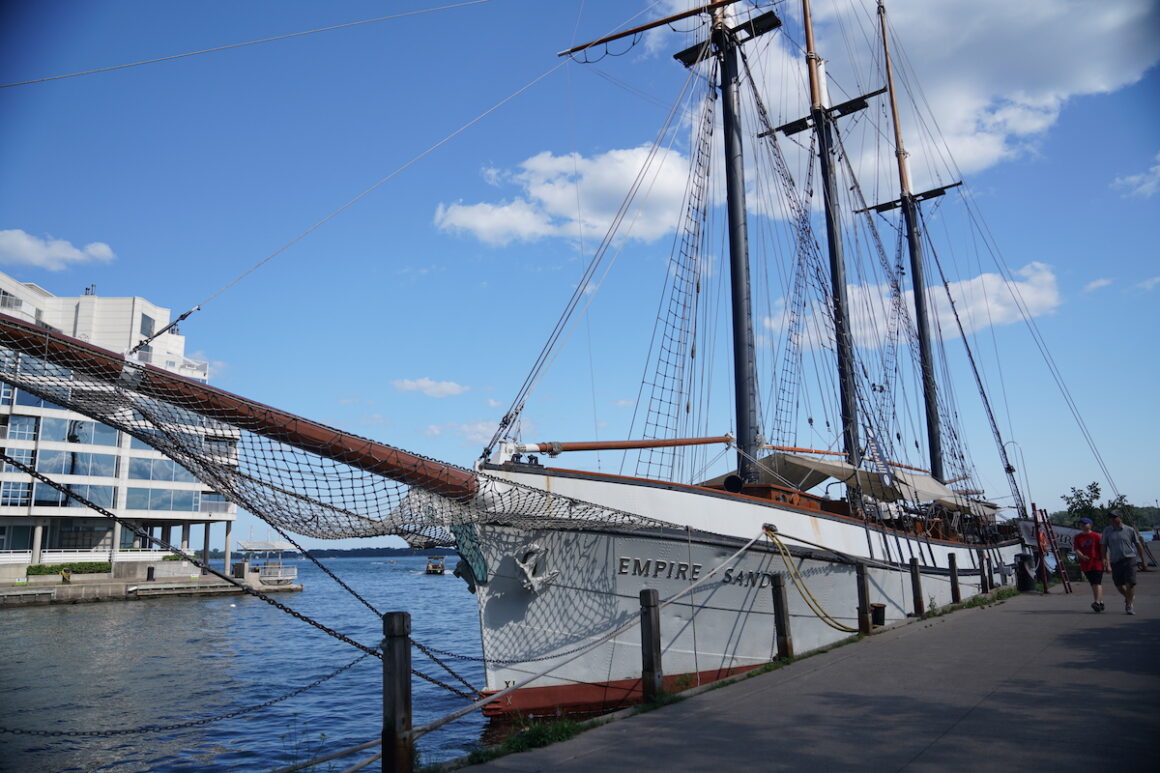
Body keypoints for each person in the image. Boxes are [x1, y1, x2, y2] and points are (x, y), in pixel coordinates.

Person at [1101, 509, 1141, 615]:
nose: (1112, 519)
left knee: (1130, 583)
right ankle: (1129, 597)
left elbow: (1137, 544)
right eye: (1110, 517)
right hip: (1115, 561)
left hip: (1129, 559)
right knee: (1119, 585)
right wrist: (1105, 560)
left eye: (1114, 517)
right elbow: (1104, 546)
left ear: (1120, 518)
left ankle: (1129, 605)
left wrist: (1143, 559)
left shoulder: (1129, 530)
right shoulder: (1107, 531)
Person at [1073, 517, 1104, 612]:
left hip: (1096, 562)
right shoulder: (1078, 537)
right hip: (1086, 563)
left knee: (1097, 582)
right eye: (1081, 524)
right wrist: (1082, 556)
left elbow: (1102, 549)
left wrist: (1105, 560)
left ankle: (1097, 602)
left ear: (1090, 525)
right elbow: (1077, 548)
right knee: (1093, 583)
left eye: (1085, 524)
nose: (1083, 525)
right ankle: (1100, 601)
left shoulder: (1096, 536)